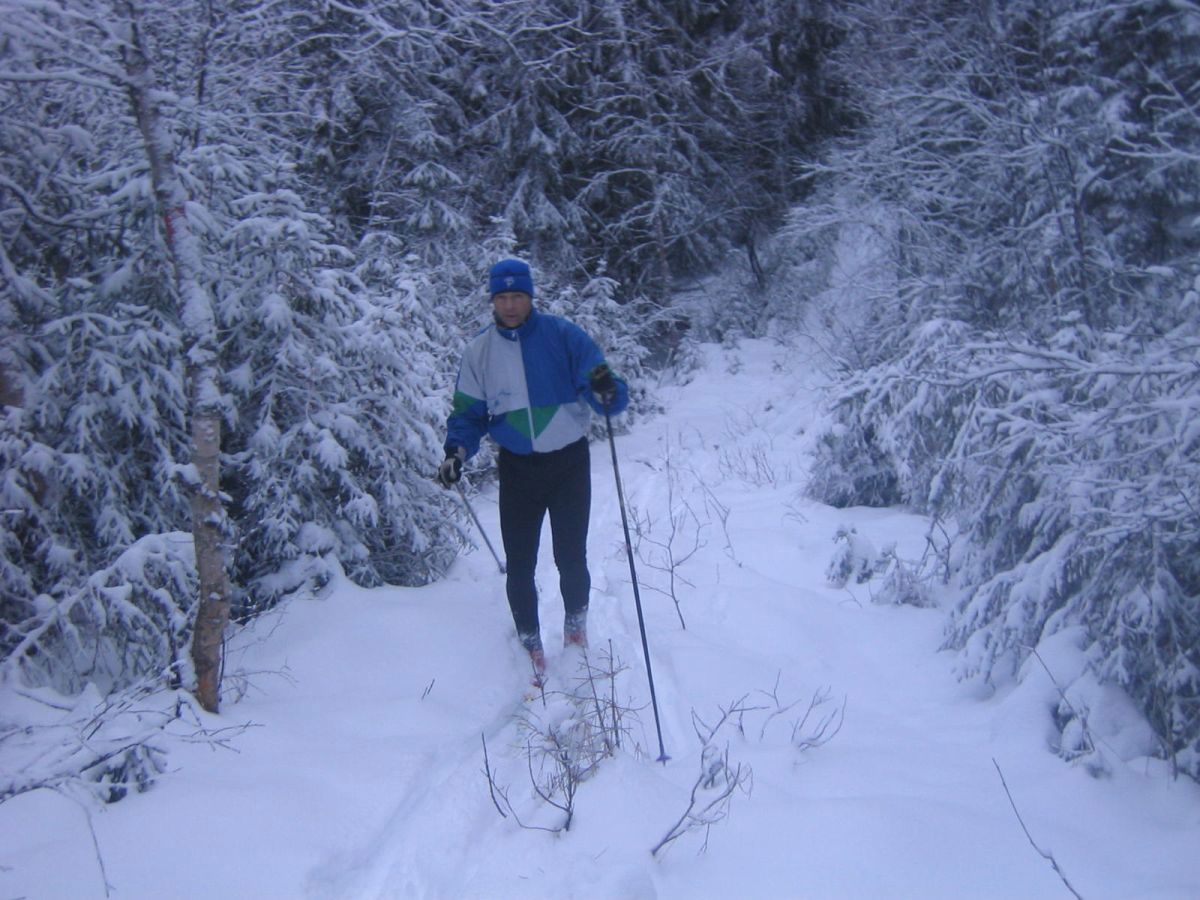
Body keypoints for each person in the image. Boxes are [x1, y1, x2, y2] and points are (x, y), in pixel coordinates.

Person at [436, 258, 629, 684]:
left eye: (517, 296)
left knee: (570, 556)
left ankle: (575, 630)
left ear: (530, 297)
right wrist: (456, 452)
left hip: (568, 462)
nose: (510, 305)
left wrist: (607, 390)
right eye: (502, 297)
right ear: (492, 300)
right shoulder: (479, 352)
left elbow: (603, 385)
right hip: (518, 468)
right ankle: (531, 643)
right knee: (520, 564)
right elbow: (468, 414)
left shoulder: (564, 336)